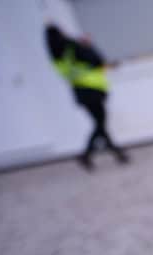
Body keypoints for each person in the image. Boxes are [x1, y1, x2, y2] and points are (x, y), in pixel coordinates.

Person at [44, 24, 128, 170]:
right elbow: (97, 61)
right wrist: (88, 45)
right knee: (100, 124)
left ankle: (116, 153)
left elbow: (68, 73)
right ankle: (88, 154)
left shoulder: (55, 56)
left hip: (80, 92)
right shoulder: (73, 47)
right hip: (93, 88)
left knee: (99, 123)